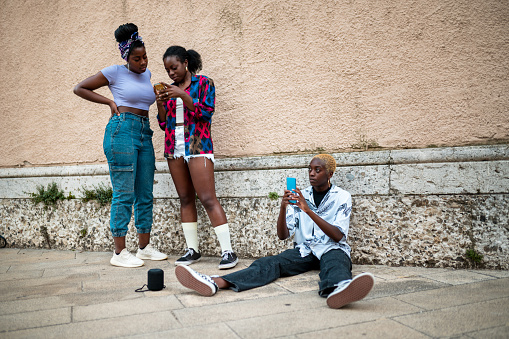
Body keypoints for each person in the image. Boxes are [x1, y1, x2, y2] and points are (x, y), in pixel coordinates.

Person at [174, 154, 375, 309]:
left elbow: (338, 236)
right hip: (305, 250)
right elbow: (283, 235)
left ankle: (339, 290)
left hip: (332, 247)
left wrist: (308, 210)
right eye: (310, 169)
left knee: (336, 262)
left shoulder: (342, 197)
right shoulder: (300, 196)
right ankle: (216, 282)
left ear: (330, 174)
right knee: (269, 262)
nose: (312, 174)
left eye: (318, 170)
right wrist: (283, 207)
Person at [73, 23, 167, 268]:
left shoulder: (146, 76)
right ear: (126, 57)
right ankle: (119, 252)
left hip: (144, 133)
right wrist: (109, 103)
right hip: (122, 131)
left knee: (145, 193)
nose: (143, 62)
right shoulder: (114, 72)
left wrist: (158, 100)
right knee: (124, 193)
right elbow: (80, 88)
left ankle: (144, 248)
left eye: (145, 57)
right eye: (137, 59)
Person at [154, 46, 238, 269]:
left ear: (185, 63)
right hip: (174, 147)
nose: (171, 73)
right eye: (167, 70)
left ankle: (228, 252)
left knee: (208, 198)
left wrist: (182, 94)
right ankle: (193, 250)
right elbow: (164, 123)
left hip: (198, 146)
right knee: (185, 198)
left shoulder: (204, 83)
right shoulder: (169, 90)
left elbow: (206, 112)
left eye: (174, 68)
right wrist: (161, 103)